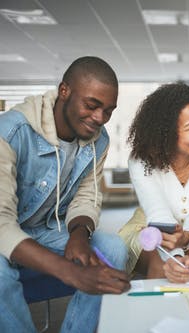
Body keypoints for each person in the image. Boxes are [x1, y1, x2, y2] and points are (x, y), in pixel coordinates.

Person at [0, 56, 130, 333]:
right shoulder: (10, 132)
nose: (99, 118)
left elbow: (87, 196)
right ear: (64, 91)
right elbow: (1, 224)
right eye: (92, 105)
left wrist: (79, 235)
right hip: (4, 229)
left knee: (112, 249)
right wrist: (72, 272)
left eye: (108, 110)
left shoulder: (99, 140)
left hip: (42, 230)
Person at [118, 82, 189, 283]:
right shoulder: (140, 160)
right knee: (161, 262)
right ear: (166, 133)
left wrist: (187, 237)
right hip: (149, 227)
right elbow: (158, 212)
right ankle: (163, 314)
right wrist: (175, 256)